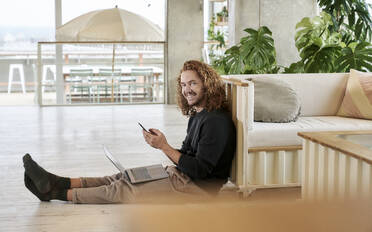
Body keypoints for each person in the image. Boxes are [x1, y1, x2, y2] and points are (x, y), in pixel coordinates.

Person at [23, 60, 236, 204]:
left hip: (196, 190)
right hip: (180, 176)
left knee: (122, 188)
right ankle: (59, 180)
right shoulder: (199, 114)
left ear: (207, 84)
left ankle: (55, 192)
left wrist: (164, 146)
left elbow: (200, 170)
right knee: (124, 176)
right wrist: (163, 145)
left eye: (192, 83)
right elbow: (188, 154)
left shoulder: (216, 122)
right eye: (183, 84)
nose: (186, 89)